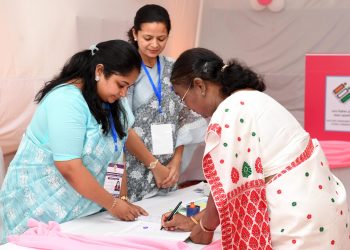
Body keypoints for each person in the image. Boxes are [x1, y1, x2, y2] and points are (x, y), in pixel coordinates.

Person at [161, 48, 350, 249]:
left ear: (200, 85)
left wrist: (203, 229)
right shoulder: (252, 98)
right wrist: (196, 221)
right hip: (325, 207)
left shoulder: (230, 112)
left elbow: (227, 186)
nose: (188, 107)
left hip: (298, 220)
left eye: (183, 97)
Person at [0, 40, 148, 243]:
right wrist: (113, 205)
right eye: (121, 85)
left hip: (86, 210)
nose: (123, 93)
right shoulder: (66, 100)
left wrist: (122, 198)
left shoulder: (112, 101)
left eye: (128, 88)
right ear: (99, 70)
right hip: (40, 208)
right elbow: (69, 167)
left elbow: (116, 151)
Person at [125, 4, 207, 202]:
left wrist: (176, 162)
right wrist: (154, 166)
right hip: (134, 164)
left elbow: (184, 117)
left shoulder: (174, 67)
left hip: (168, 168)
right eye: (148, 38)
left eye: (161, 39)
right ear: (135, 34)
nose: (155, 44)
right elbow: (122, 126)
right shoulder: (125, 68)